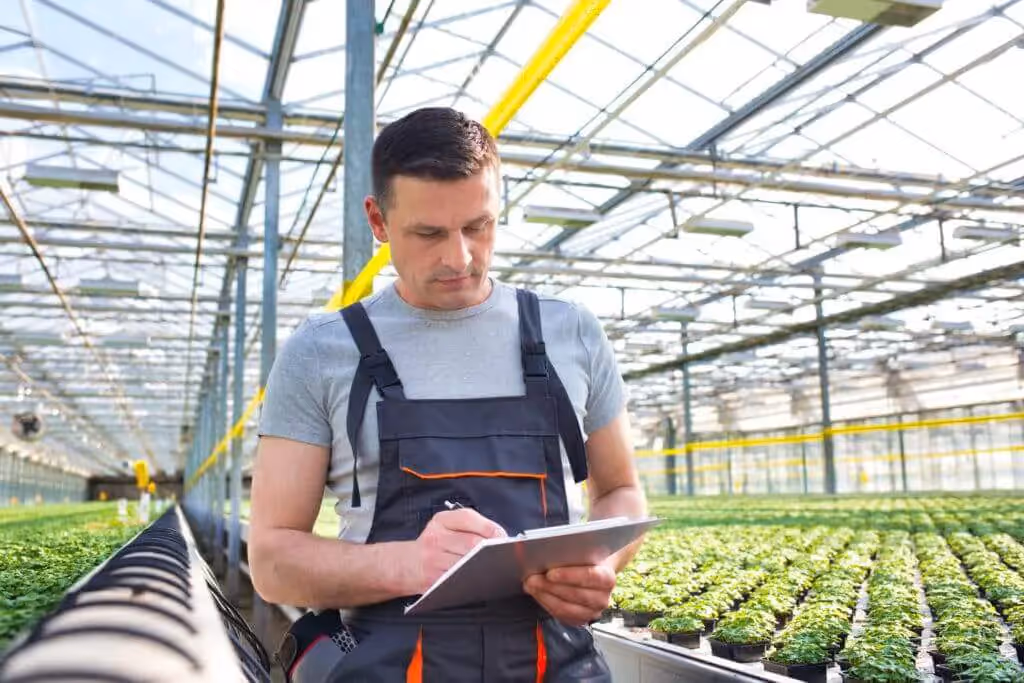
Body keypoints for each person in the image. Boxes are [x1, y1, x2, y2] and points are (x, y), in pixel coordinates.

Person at [249, 106, 647, 682]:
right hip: (391, 664)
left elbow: (621, 490)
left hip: (553, 662)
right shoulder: (321, 352)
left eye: (478, 226)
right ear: (378, 221)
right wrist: (409, 563)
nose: (459, 257)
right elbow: (271, 560)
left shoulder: (571, 332)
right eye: (429, 233)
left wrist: (601, 565)